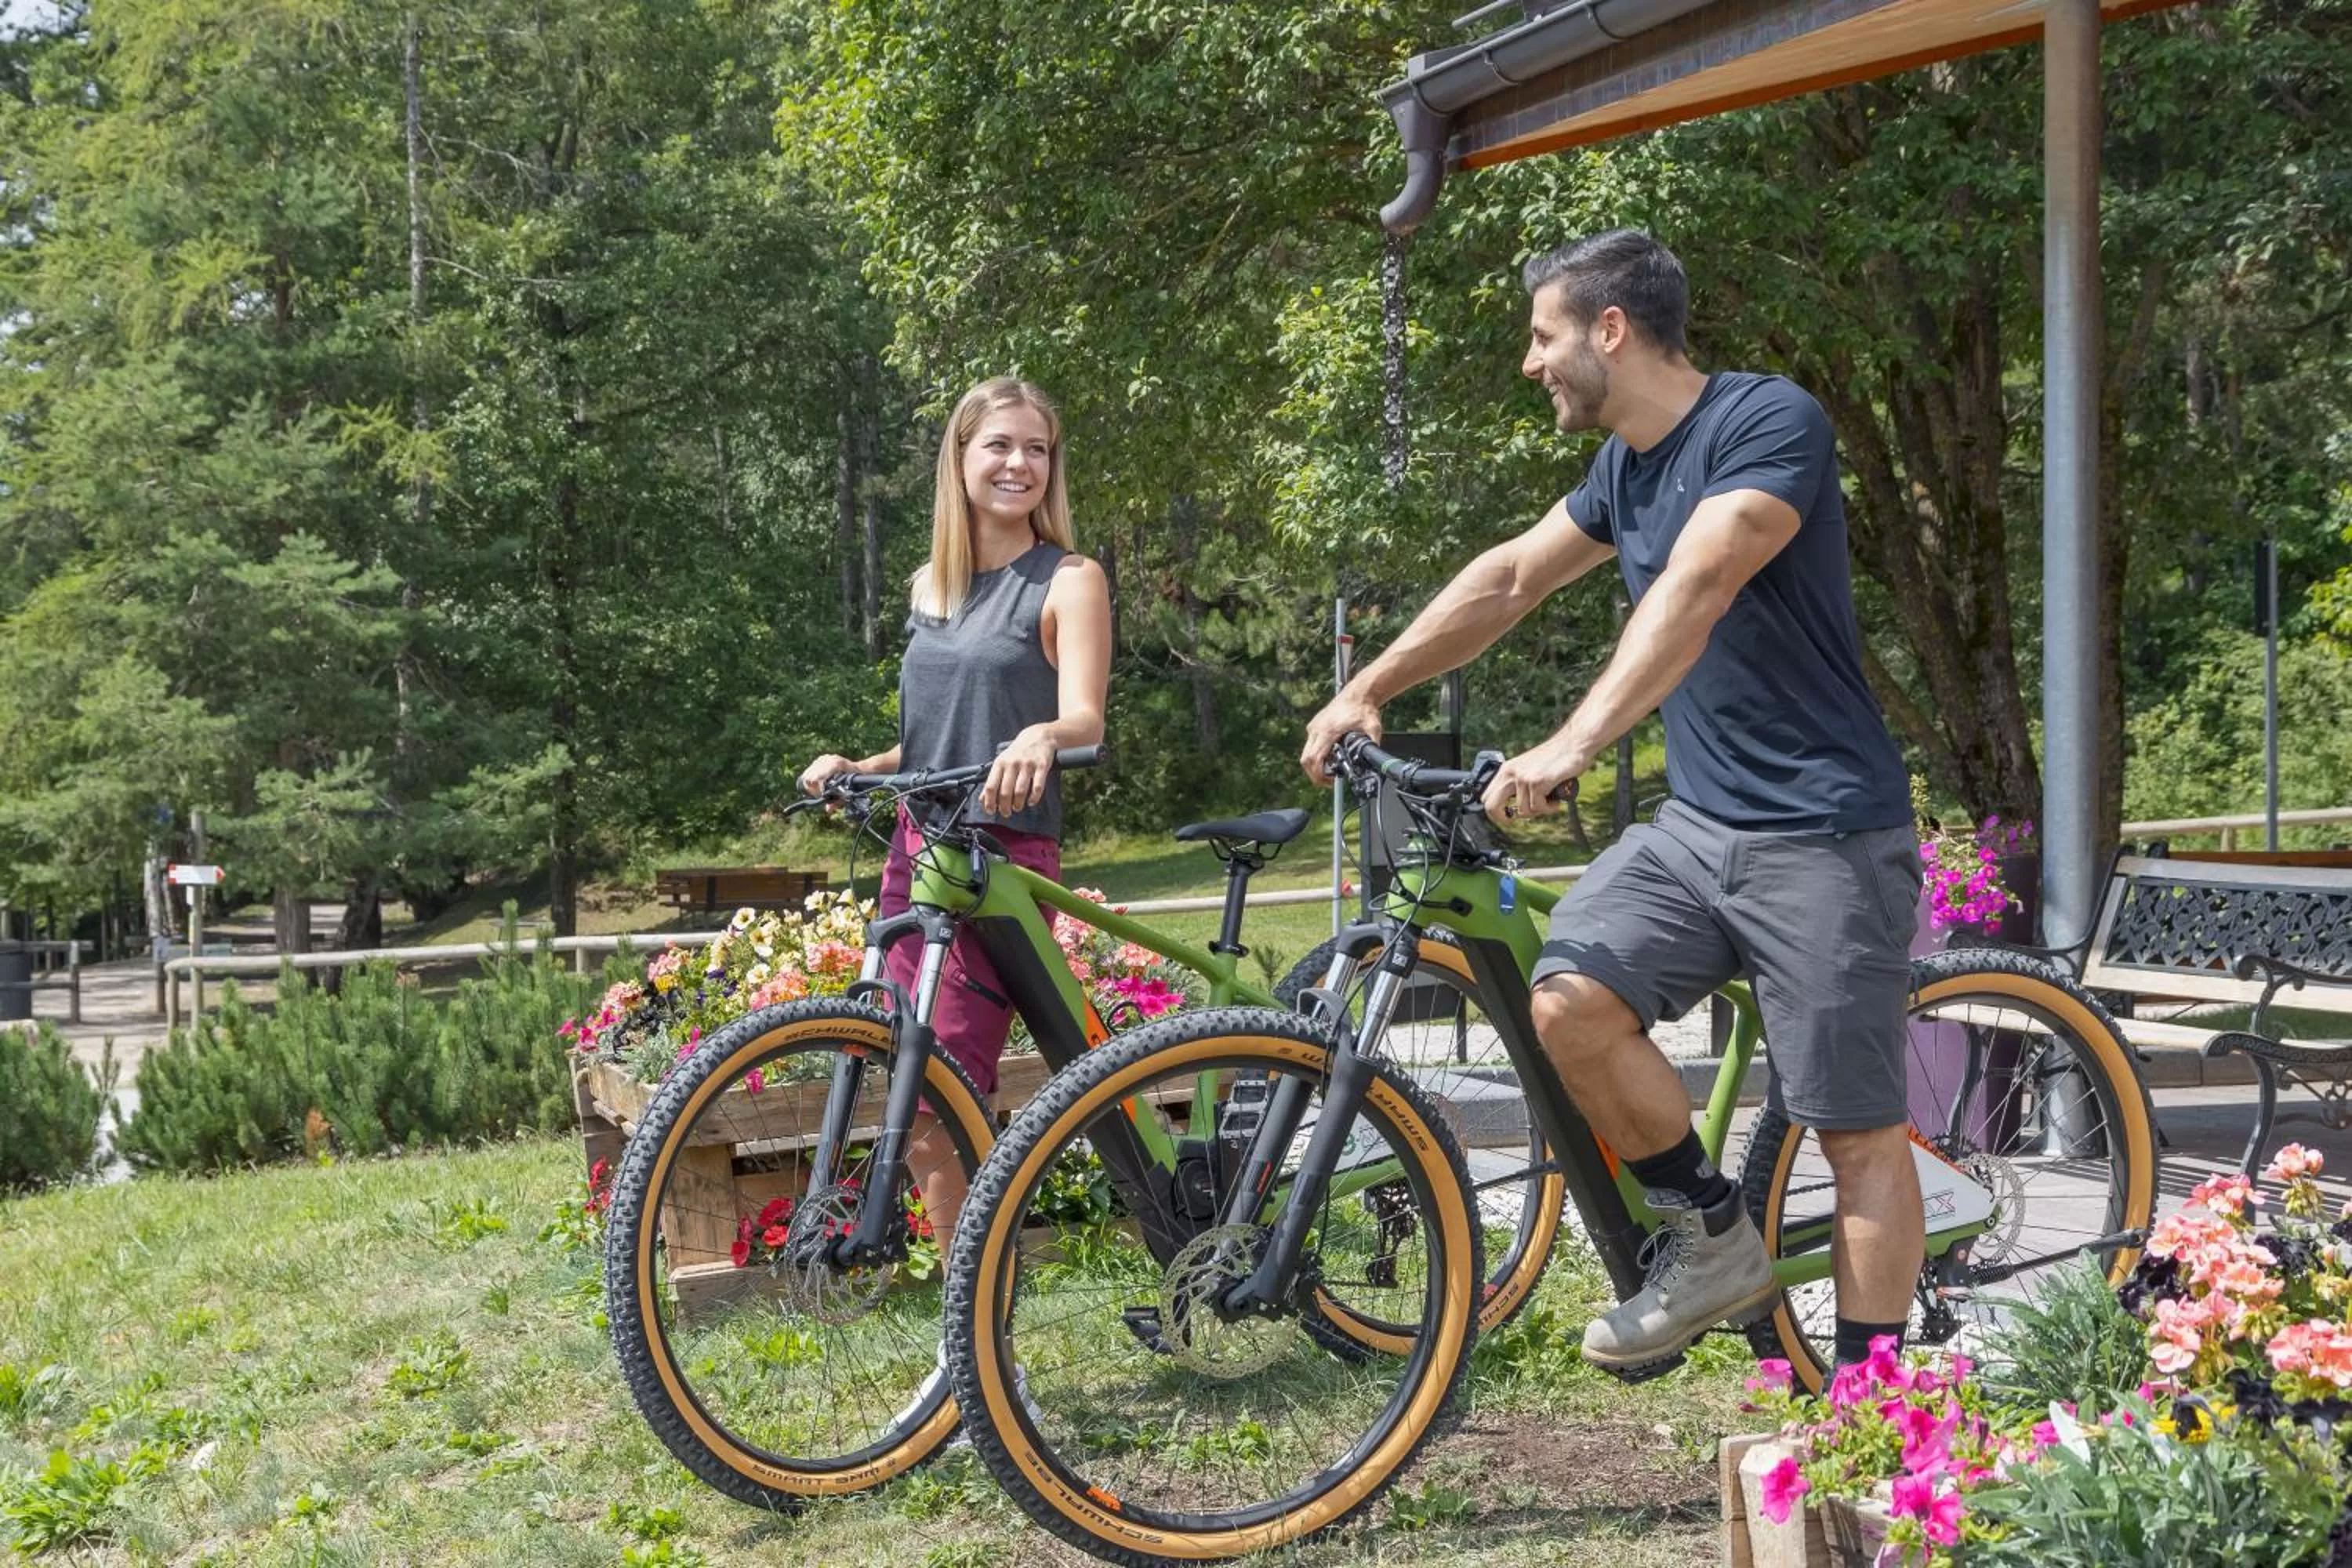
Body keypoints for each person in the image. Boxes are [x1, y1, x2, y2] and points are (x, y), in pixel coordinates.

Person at [1301, 230, 1924, 1377]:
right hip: (1699, 828)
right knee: (1569, 1002)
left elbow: (1698, 586)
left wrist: (1574, 742)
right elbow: (1509, 577)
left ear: (1611, 329)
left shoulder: (1766, 421)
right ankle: (1714, 1239)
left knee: (1855, 1135)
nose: (1530, 362)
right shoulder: (1624, 470)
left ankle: (1872, 1413)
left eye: (1543, 337)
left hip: (1824, 835)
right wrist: (1367, 687)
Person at [800, 376, 1111, 1247]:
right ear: (960, 458)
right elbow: (935, 736)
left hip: (1000, 856)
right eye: (1000, 445)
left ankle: (971, 1297)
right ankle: (966, 1289)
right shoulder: (931, 587)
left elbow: (1084, 718)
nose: (1019, 464)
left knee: (944, 1077)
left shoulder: (1069, 579)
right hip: (918, 845)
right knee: (908, 1065)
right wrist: (862, 766)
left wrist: (1042, 735)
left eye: (1037, 449)